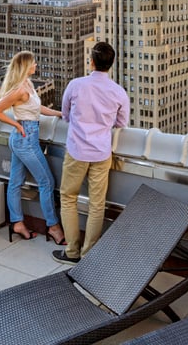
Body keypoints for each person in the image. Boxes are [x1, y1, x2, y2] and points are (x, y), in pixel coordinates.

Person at [52, 40, 128, 264]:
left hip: (76, 151)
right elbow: (121, 122)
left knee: (68, 198)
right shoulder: (118, 92)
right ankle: (89, 254)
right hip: (101, 153)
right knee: (97, 204)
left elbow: (65, 114)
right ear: (111, 64)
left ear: (91, 62)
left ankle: (72, 252)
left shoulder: (76, 85)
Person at [0, 50, 65, 245]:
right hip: (25, 138)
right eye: (33, 63)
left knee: (16, 181)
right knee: (46, 181)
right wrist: (16, 125)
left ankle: (17, 223)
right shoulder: (19, 91)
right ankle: (53, 226)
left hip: (25, 138)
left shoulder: (28, 85)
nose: (36, 65)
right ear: (25, 66)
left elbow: (37, 108)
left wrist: (59, 113)